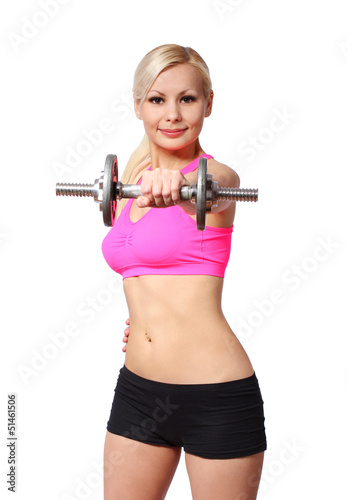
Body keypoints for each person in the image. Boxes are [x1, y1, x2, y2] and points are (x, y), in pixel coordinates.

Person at [102, 44, 266, 500]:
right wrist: (146, 323)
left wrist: (186, 185)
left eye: (187, 99)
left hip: (216, 397)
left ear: (208, 104)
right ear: (138, 106)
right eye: (157, 99)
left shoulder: (214, 179)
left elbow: (220, 189)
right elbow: (149, 274)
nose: (172, 114)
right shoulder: (128, 186)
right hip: (137, 392)